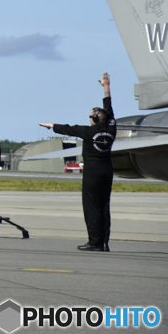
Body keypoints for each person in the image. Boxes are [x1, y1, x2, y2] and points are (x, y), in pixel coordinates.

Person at [39, 72, 117, 251]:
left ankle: (94, 242)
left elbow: (68, 129)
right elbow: (110, 110)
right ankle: (104, 242)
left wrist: (52, 126)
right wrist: (106, 89)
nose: (89, 118)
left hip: (92, 174)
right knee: (104, 206)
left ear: (95, 119)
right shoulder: (111, 128)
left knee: (91, 207)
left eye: (90, 116)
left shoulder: (88, 132)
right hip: (107, 171)